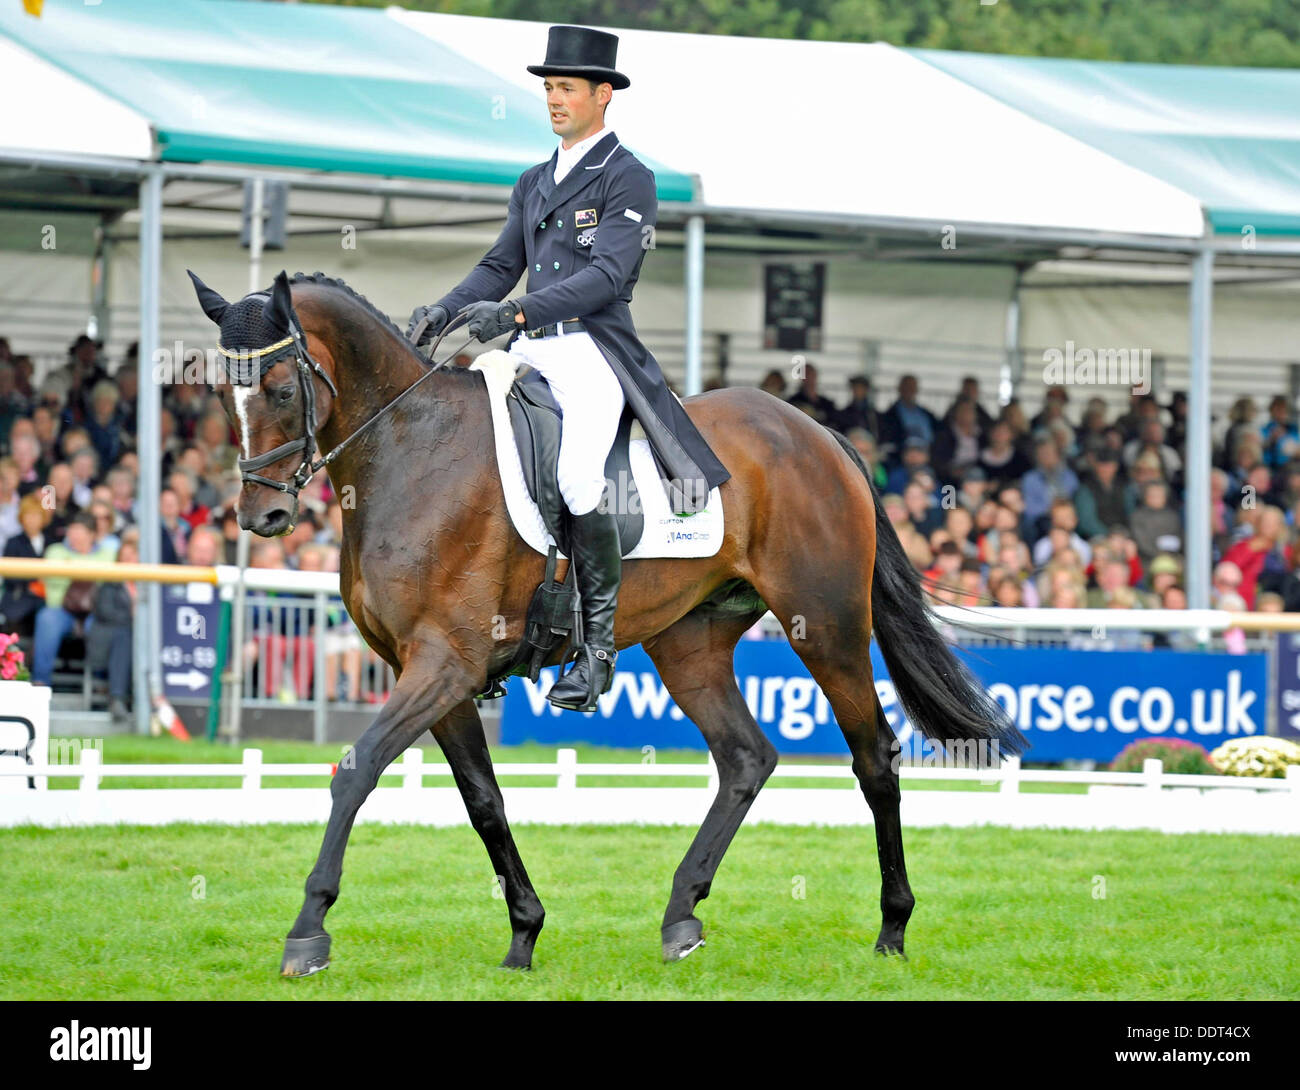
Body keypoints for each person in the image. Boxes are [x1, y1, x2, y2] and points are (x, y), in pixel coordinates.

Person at [405, 24, 729, 713]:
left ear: (602, 95)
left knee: (580, 476)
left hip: (593, 351)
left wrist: (516, 314)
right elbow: (500, 266)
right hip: (527, 349)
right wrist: (446, 310)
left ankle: (598, 648)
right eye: (548, 87)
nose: (553, 99)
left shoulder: (627, 177)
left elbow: (609, 276)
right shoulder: (533, 180)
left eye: (566, 88)